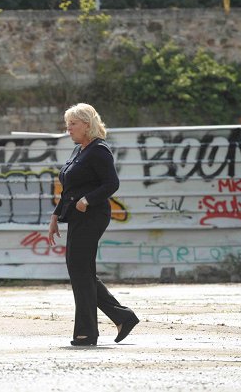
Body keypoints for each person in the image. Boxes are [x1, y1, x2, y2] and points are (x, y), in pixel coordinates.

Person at [48, 103, 139, 346]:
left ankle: (87, 332)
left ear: (87, 124)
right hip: (76, 216)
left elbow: (111, 184)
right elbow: (69, 188)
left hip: (93, 215)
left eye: (73, 124)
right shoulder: (79, 150)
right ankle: (121, 317)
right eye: (67, 125)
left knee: (80, 270)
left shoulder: (99, 150)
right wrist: (56, 215)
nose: (68, 129)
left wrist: (88, 200)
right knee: (81, 271)